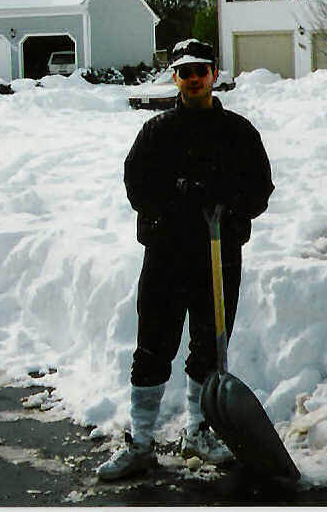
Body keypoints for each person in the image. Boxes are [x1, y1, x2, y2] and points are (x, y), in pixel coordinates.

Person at [97, 38, 274, 481]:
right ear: (174, 78)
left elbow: (260, 189)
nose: (193, 79)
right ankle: (140, 443)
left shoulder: (238, 132)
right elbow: (137, 186)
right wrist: (181, 197)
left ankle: (198, 432)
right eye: (184, 72)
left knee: (210, 349)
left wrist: (228, 204)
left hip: (218, 256)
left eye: (201, 70)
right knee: (153, 346)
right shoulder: (157, 133)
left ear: (214, 74)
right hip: (167, 255)